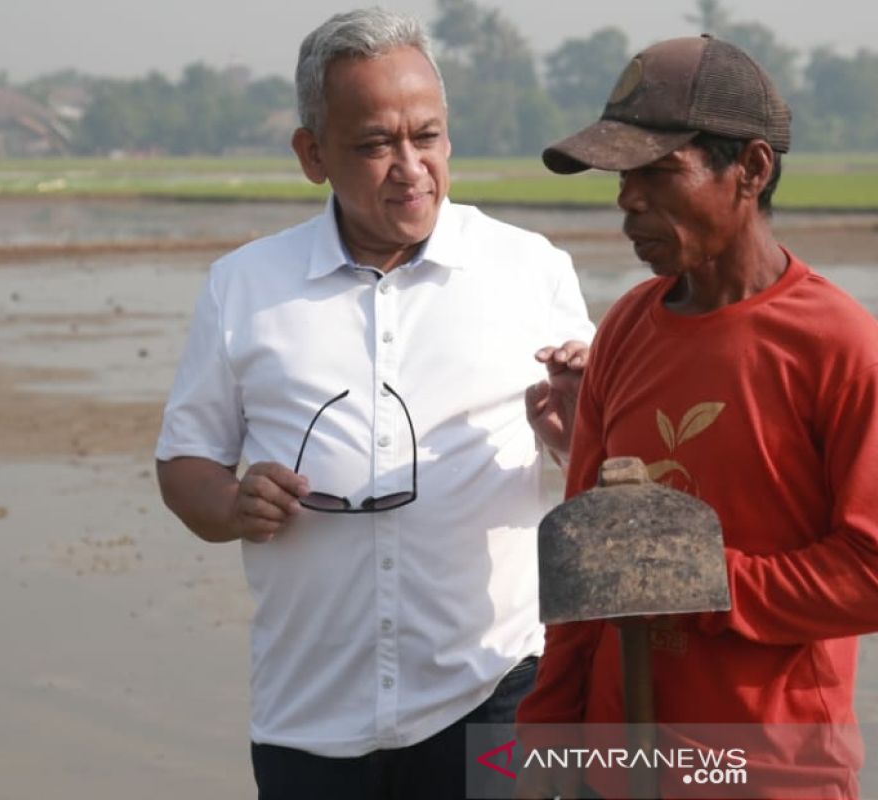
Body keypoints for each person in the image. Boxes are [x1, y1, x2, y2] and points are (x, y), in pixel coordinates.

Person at [154, 7, 594, 798]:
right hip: (310, 711)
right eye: (374, 144)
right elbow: (185, 464)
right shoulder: (244, 287)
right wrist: (230, 502)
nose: (409, 166)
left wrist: (573, 431)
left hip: (495, 694)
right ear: (311, 153)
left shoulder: (528, 271)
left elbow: (597, 455)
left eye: (425, 136)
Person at [515, 35, 878, 798]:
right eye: (621, 175)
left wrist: (701, 581)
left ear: (750, 169)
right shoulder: (626, 328)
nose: (627, 199)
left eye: (657, 172)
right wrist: (542, 749)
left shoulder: (839, 346)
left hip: (772, 771)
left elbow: (869, 570)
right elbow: (587, 570)